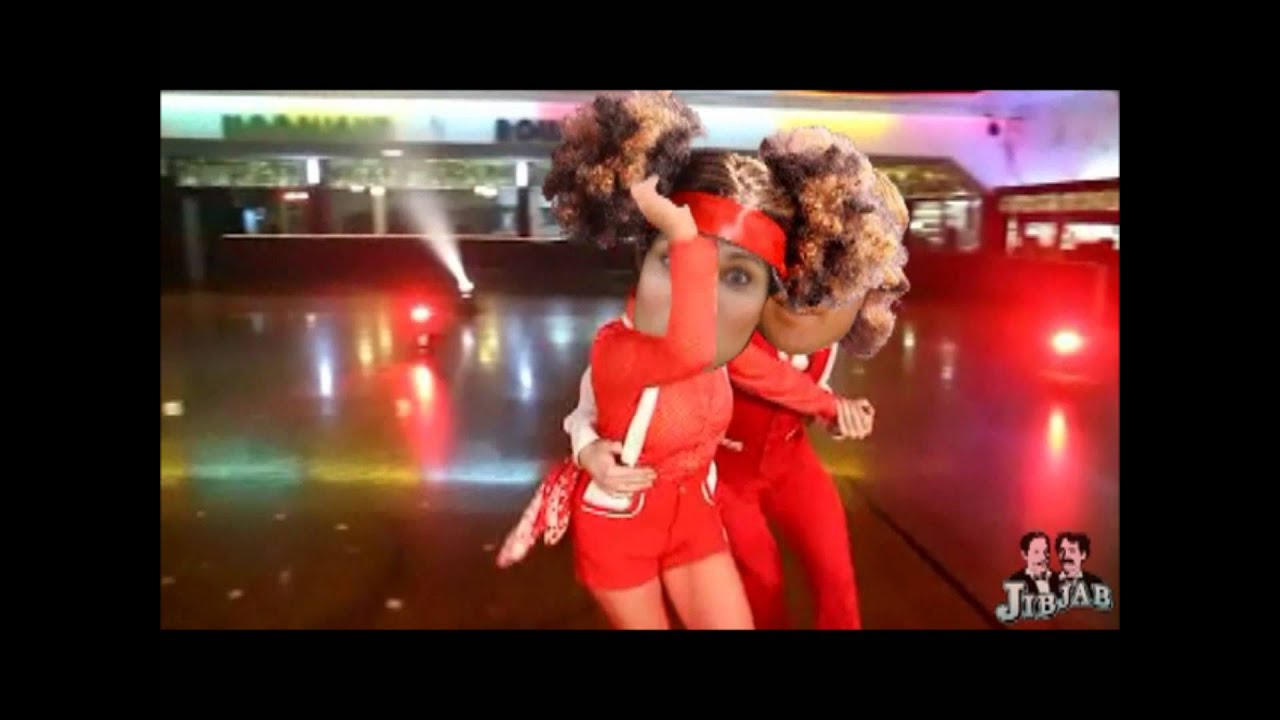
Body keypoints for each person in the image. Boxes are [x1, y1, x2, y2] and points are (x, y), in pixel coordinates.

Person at [499, 92, 849, 630]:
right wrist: (684, 234)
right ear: (643, 262)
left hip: (695, 524)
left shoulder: (726, 353)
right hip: (621, 532)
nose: (704, 293)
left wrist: (831, 405)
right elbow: (686, 350)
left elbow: (773, 374)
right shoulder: (620, 347)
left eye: (737, 277)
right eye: (677, 261)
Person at [566, 127, 911, 629]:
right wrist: (585, 444)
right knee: (761, 582)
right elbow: (741, 366)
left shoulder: (827, 320)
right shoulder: (724, 310)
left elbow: (805, 382)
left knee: (836, 574)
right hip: (727, 477)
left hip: (790, 462)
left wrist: (839, 413)